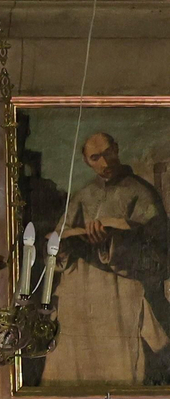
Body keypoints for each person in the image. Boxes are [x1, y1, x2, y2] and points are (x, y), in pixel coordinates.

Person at [45, 131, 170, 385]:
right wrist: (65, 244)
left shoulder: (141, 193)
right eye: (95, 158)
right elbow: (58, 245)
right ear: (87, 162)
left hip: (120, 297)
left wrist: (112, 243)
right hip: (79, 296)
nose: (104, 163)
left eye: (108, 153)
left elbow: (159, 255)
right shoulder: (82, 195)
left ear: (117, 148)